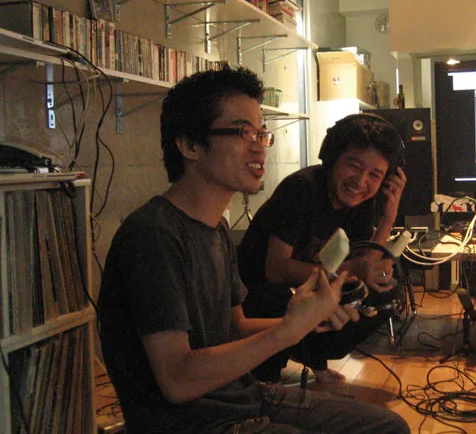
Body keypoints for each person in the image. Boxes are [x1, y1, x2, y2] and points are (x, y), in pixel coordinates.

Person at [97, 66, 410, 434]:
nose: (260, 145)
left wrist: (309, 320)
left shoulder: (216, 230)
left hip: (240, 394)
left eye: (262, 133)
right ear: (190, 145)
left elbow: (236, 327)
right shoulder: (152, 236)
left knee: (389, 427)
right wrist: (287, 332)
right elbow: (177, 380)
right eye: (243, 132)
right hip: (193, 423)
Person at [238, 113, 408, 383]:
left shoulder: (360, 203)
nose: (361, 181)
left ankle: (313, 355)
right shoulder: (301, 189)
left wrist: (388, 217)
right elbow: (276, 269)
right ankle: (265, 378)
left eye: (375, 175)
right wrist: (346, 270)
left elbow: (366, 264)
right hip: (255, 296)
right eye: (353, 165)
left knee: (381, 292)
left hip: (304, 291)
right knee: (278, 298)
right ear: (332, 158)